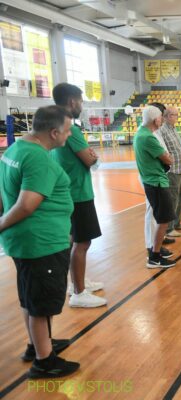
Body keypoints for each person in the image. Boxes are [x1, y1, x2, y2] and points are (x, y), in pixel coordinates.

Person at [0, 106, 79, 377]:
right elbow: (26, 205)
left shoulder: (16, 148)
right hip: (41, 242)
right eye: (67, 130)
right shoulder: (39, 159)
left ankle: (38, 343)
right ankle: (44, 361)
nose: (70, 135)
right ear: (54, 132)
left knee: (31, 297)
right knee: (41, 303)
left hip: (26, 241)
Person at [51, 83, 106, 308]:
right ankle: (79, 292)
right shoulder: (71, 130)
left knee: (76, 240)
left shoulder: (57, 125)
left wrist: (91, 156)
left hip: (69, 191)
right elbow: (89, 159)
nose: (82, 106)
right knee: (82, 242)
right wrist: (93, 157)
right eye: (81, 101)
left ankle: (77, 283)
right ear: (72, 101)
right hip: (78, 193)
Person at [134, 105, 176, 268]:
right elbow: (167, 159)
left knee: (161, 219)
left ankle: (155, 252)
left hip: (153, 180)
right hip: (156, 181)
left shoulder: (142, 134)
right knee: (163, 219)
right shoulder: (148, 138)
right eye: (161, 116)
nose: (162, 119)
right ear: (155, 119)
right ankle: (155, 256)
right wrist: (168, 157)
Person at [158, 106, 181, 238]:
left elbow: (179, 149)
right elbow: (163, 150)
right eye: (173, 115)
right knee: (173, 198)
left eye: (176, 115)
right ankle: (169, 228)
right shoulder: (162, 131)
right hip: (172, 170)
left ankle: (176, 223)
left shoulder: (174, 129)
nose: (176, 117)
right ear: (165, 116)